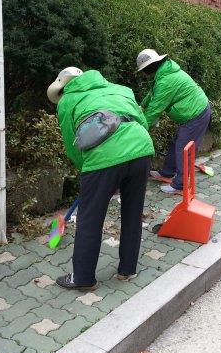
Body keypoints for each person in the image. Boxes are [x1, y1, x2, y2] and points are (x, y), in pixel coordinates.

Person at [47, 67, 154, 290]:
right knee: (133, 212)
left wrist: (88, 170)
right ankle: (127, 270)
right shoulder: (121, 89)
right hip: (142, 149)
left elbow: (73, 145)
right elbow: (142, 122)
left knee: (90, 218)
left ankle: (83, 278)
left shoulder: (68, 100)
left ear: (63, 86)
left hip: (104, 158)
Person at [136, 49, 211, 194]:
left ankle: (180, 185)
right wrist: (141, 106)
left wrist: (140, 128)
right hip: (192, 113)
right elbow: (152, 95)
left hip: (196, 113)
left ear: (149, 68)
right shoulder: (162, 74)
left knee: (184, 149)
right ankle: (167, 173)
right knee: (175, 142)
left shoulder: (166, 81)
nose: (144, 75)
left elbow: (154, 109)